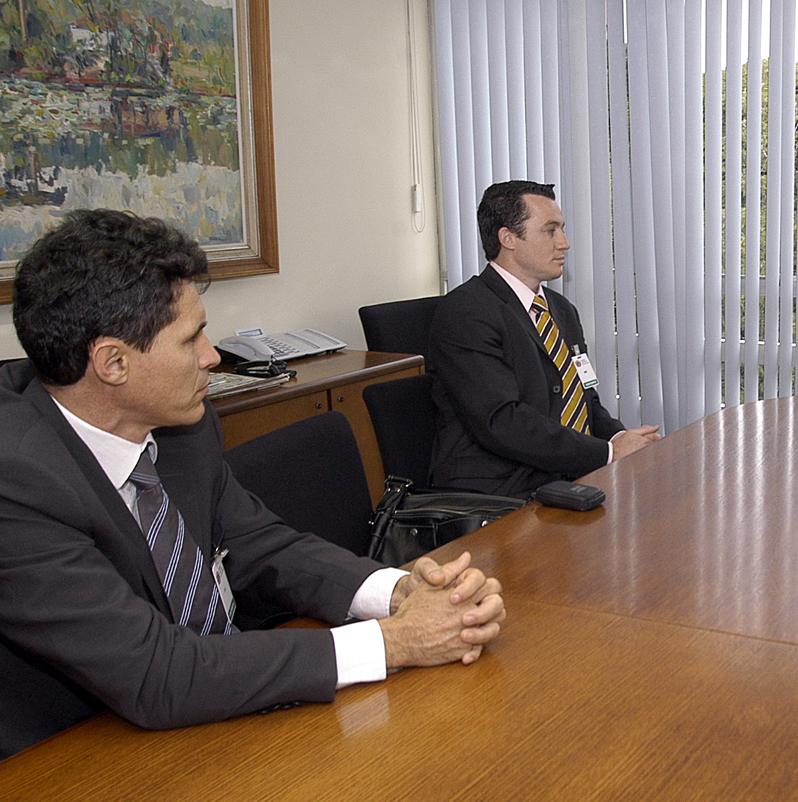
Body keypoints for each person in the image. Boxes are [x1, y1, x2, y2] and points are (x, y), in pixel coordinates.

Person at [0, 209, 507, 758]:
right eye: (191, 338)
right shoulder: (17, 480)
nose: (212, 356)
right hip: (73, 759)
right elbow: (152, 673)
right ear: (112, 363)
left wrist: (398, 591)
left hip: (217, 714)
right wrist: (393, 643)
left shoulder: (181, 427)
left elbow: (259, 545)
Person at [429, 180, 660, 497]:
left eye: (561, 229)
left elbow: (585, 398)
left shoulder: (561, 310)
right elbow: (503, 422)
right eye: (550, 230)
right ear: (508, 238)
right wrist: (608, 454)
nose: (564, 242)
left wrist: (622, 441)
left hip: (559, 475)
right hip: (499, 491)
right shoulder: (466, 312)